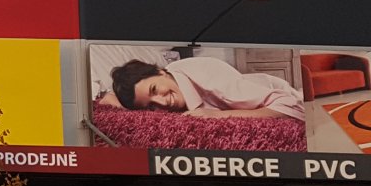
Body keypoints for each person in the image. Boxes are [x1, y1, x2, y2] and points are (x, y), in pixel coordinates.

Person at [97, 56, 305, 120]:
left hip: (284, 92)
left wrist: (218, 116)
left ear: (161, 71)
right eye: (151, 106)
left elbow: (291, 105)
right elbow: (110, 97)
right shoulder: (163, 80)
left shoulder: (212, 81)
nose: (162, 102)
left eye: (154, 90)